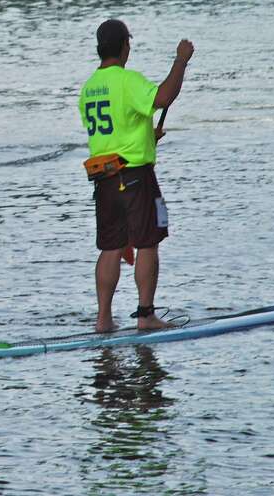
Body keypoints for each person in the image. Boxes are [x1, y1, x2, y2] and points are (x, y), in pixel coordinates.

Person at [79, 19, 194, 332]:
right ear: (123, 47)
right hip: (134, 176)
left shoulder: (89, 88)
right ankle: (146, 315)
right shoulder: (127, 80)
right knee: (148, 243)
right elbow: (163, 98)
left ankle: (103, 320)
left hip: (104, 178)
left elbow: (117, 130)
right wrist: (181, 61)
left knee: (111, 248)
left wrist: (148, 138)